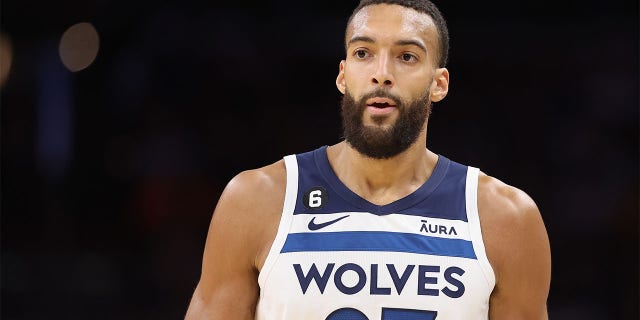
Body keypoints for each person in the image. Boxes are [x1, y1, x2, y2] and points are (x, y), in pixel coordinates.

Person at [185, 0, 551, 319]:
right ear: (343, 76)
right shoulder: (256, 200)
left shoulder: (504, 219)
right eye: (363, 53)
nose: (382, 73)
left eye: (407, 56)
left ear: (439, 83)